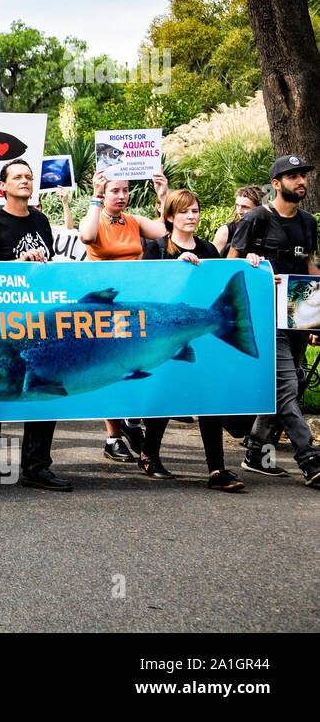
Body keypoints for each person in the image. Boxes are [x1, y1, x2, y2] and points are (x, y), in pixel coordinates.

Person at [0, 159, 71, 491]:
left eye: (29, 176)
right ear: (3, 186)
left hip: (39, 320)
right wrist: (17, 263)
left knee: (43, 384)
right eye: (18, 177)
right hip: (1, 320)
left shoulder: (41, 220)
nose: (25, 181)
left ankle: (36, 465)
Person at [135, 188, 245, 490]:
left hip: (199, 334)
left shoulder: (209, 249)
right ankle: (149, 453)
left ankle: (217, 469)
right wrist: (174, 268)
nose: (191, 216)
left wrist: (253, 265)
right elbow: (144, 292)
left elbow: (220, 283)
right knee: (167, 393)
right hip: (164, 339)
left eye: (195, 210)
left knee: (208, 397)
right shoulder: (156, 249)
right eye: (184, 211)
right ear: (170, 216)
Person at [228, 155, 320, 487]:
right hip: (265, 316)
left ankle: (256, 452)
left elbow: (309, 267)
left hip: (298, 315)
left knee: (288, 381)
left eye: (303, 176)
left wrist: (316, 320)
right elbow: (231, 266)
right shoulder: (256, 219)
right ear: (277, 184)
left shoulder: (308, 222)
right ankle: (310, 458)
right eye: (293, 176)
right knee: (286, 386)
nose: (301, 181)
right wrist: (251, 264)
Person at [78, 168, 171, 462]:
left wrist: (163, 196)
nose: (121, 196)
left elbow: (166, 232)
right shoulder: (98, 218)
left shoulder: (133, 221)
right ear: (104, 194)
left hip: (132, 305)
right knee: (110, 368)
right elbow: (86, 235)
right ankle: (113, 437)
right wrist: (94, 198)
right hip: (104, 307)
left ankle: (130, 421)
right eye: (114, 191)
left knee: (134, 363)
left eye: (125, 190)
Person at [213, 185, 264, 256]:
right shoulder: (225, 231)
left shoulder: (268, 230)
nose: (239, 211)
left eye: (245, 207)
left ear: (259, 209)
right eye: (237, 205)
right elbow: (214, 263)